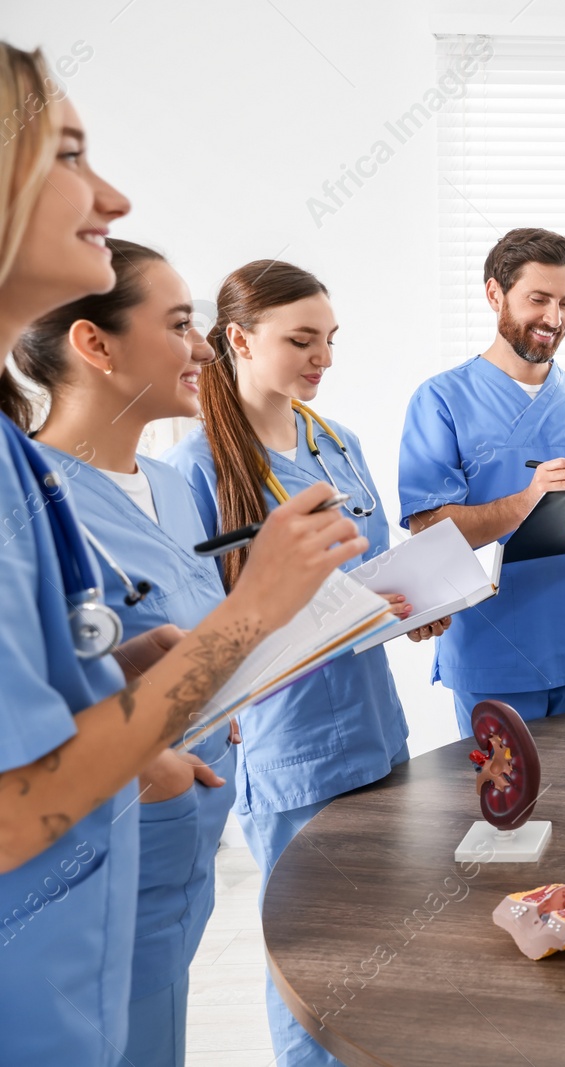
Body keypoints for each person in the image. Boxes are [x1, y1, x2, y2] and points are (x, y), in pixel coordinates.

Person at [0, 46, 364, 1067]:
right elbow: (14, 804)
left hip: (144, 872)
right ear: (94, 346)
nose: (109, 194)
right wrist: (255, 609)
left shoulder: (92, 482)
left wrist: (113, 676)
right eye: (67, 155)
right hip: (58, 917)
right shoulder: (34, 479)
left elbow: (51, 679)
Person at [164, 259, 445, 1067]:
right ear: (239, 340)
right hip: (289, 742)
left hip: (375, 726)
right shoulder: (196, 469)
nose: (322, 357)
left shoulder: (336, 441)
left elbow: (370, 571)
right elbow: (201, 630)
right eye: (301, 340)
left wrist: (415, 608)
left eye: (329, 340)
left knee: (378, 945)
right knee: (313, 962)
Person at [17, 240, 234, 1067]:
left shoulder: (174, 485)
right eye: (180, 324)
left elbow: (181, 637)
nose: (205, 348)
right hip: (109, 847)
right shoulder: (30, 498)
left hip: (187, 843)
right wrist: (158, 765)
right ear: (95, 345)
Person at [399, 228, 565, 732]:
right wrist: (530, 499)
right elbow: (429, 528)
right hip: (491, 647)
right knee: (505, 805)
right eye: (538, 299)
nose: (553, 319)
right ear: (495, 294)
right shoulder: (441, 400)